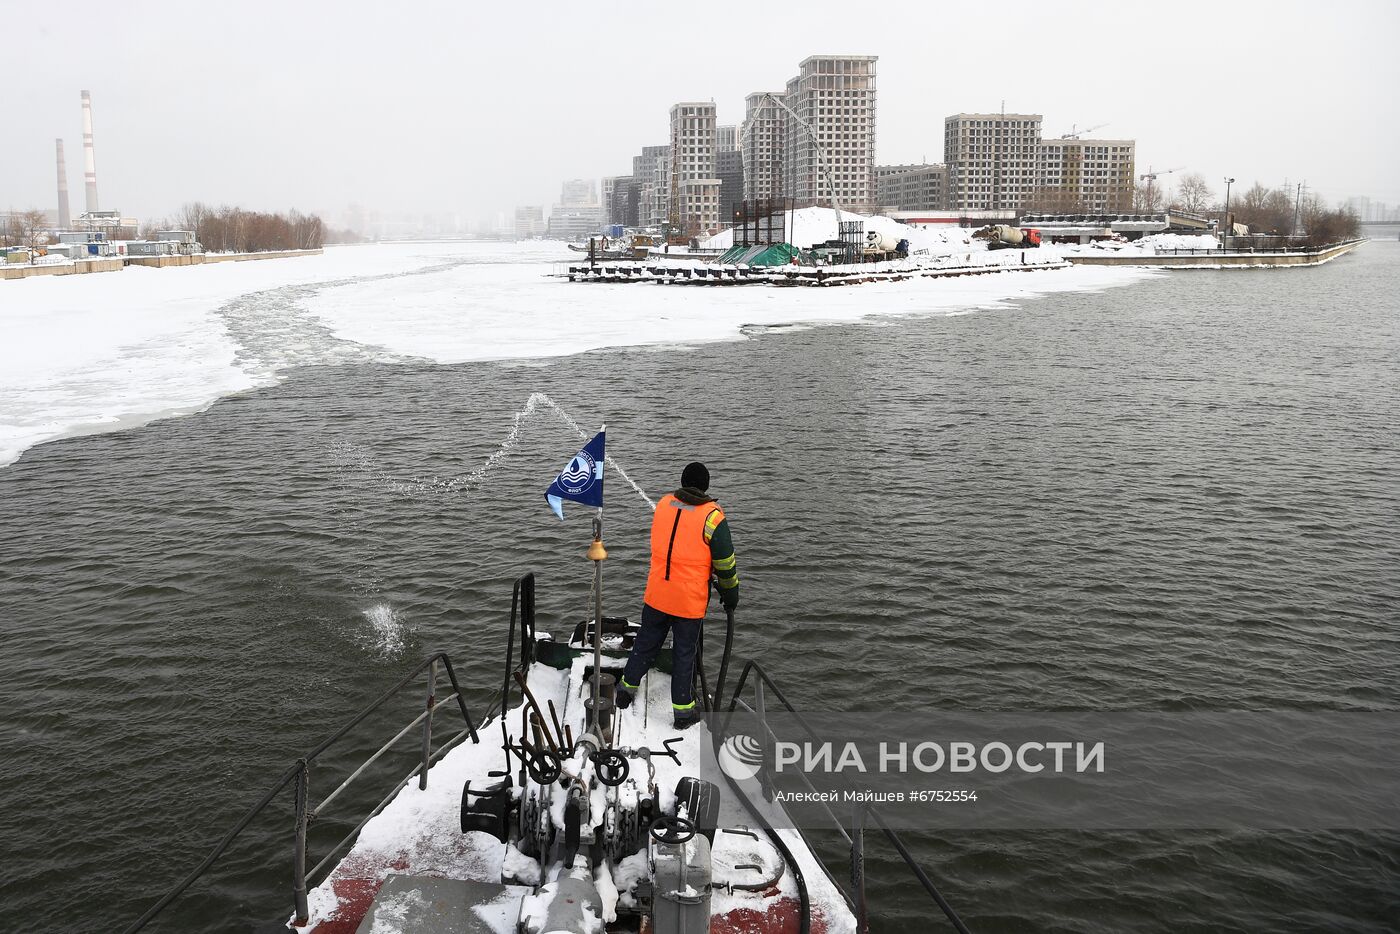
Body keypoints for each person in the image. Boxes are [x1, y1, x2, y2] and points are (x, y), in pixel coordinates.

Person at [615, 462, 739, 729]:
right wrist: (731, 595)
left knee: (646, 644)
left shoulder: (663, 504)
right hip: (688, 602)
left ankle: (625, 690)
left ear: (682, 482)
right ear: (706, 486)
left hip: (658, 593)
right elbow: (726, 563)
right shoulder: (713, 516)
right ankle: (683, 714)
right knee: (685, 655)